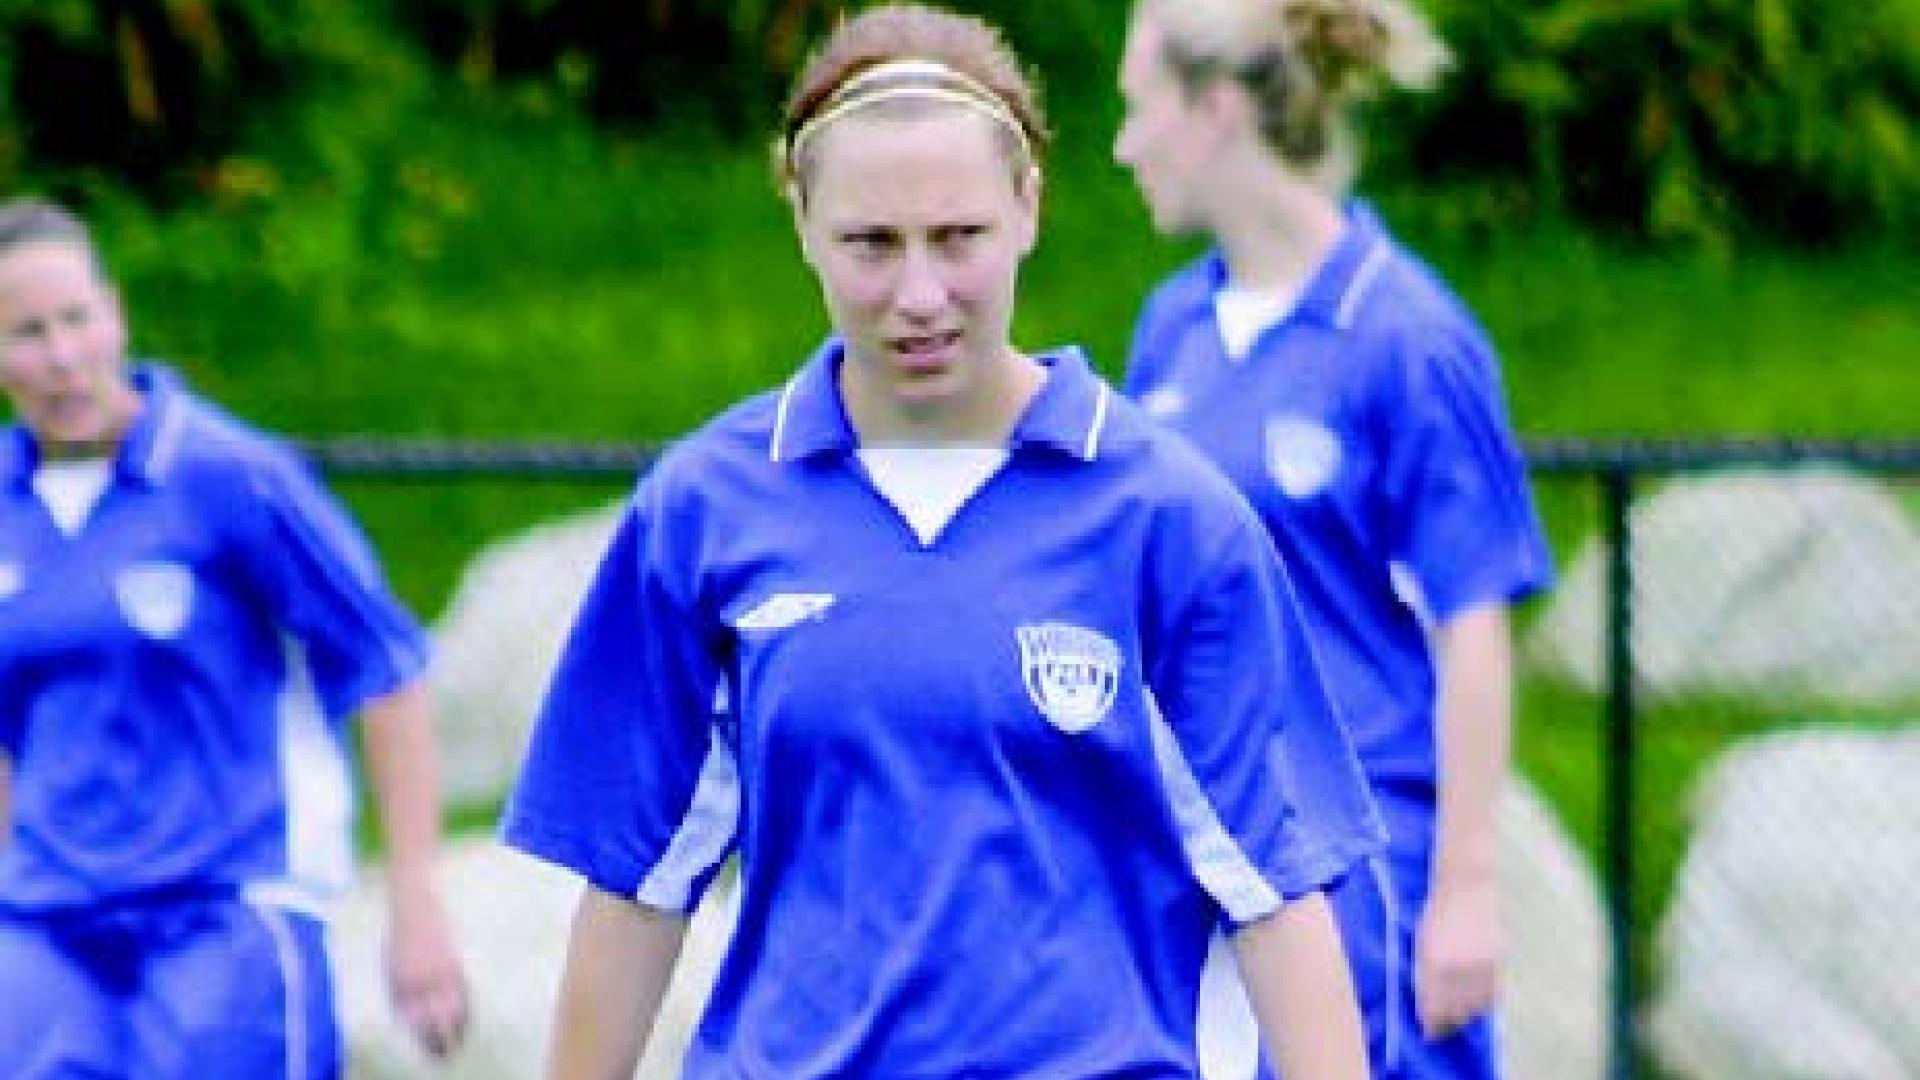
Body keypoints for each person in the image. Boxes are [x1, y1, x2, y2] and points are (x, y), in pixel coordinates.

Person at [501, 5, 1389, 1078]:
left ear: (1027, 208)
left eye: (957, 238)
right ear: (802, 223)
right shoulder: (703, 511)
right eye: (871, 244)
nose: (919, 296)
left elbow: (1279, 894)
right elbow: (637, 882)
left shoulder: (1168, 520)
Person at [1113, 1, 1556, 1076]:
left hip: (1363, 870)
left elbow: (1474, 631)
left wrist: (1464, 892)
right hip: (1204, 861)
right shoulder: (1173, 328)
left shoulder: (1407, 339)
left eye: (1137, 108)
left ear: (1215, 111)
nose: (1122, 144)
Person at [0, 198, 469, 1078]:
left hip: (229, 908)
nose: (61, 357)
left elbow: (388, 675)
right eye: (27, 333)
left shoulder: (231, 478)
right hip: (50, 920)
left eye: (76, 319)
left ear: (115, 316)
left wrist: (417, 904)